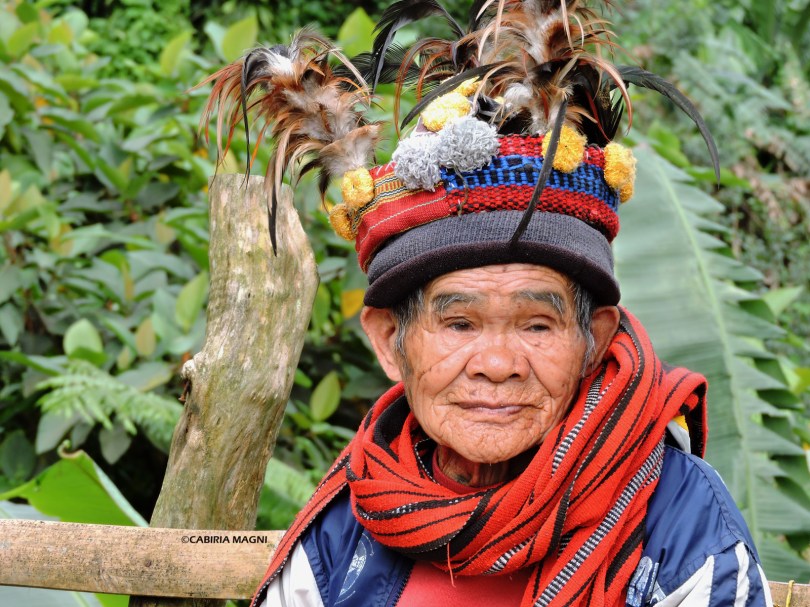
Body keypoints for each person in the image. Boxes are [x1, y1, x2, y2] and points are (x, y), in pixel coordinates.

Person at [201, 2, 773, 605]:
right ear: (391, 340)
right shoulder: (344, 526)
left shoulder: (678, 518)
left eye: (537, 324)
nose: (497, 364)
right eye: (458, 323)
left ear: (595, 339)